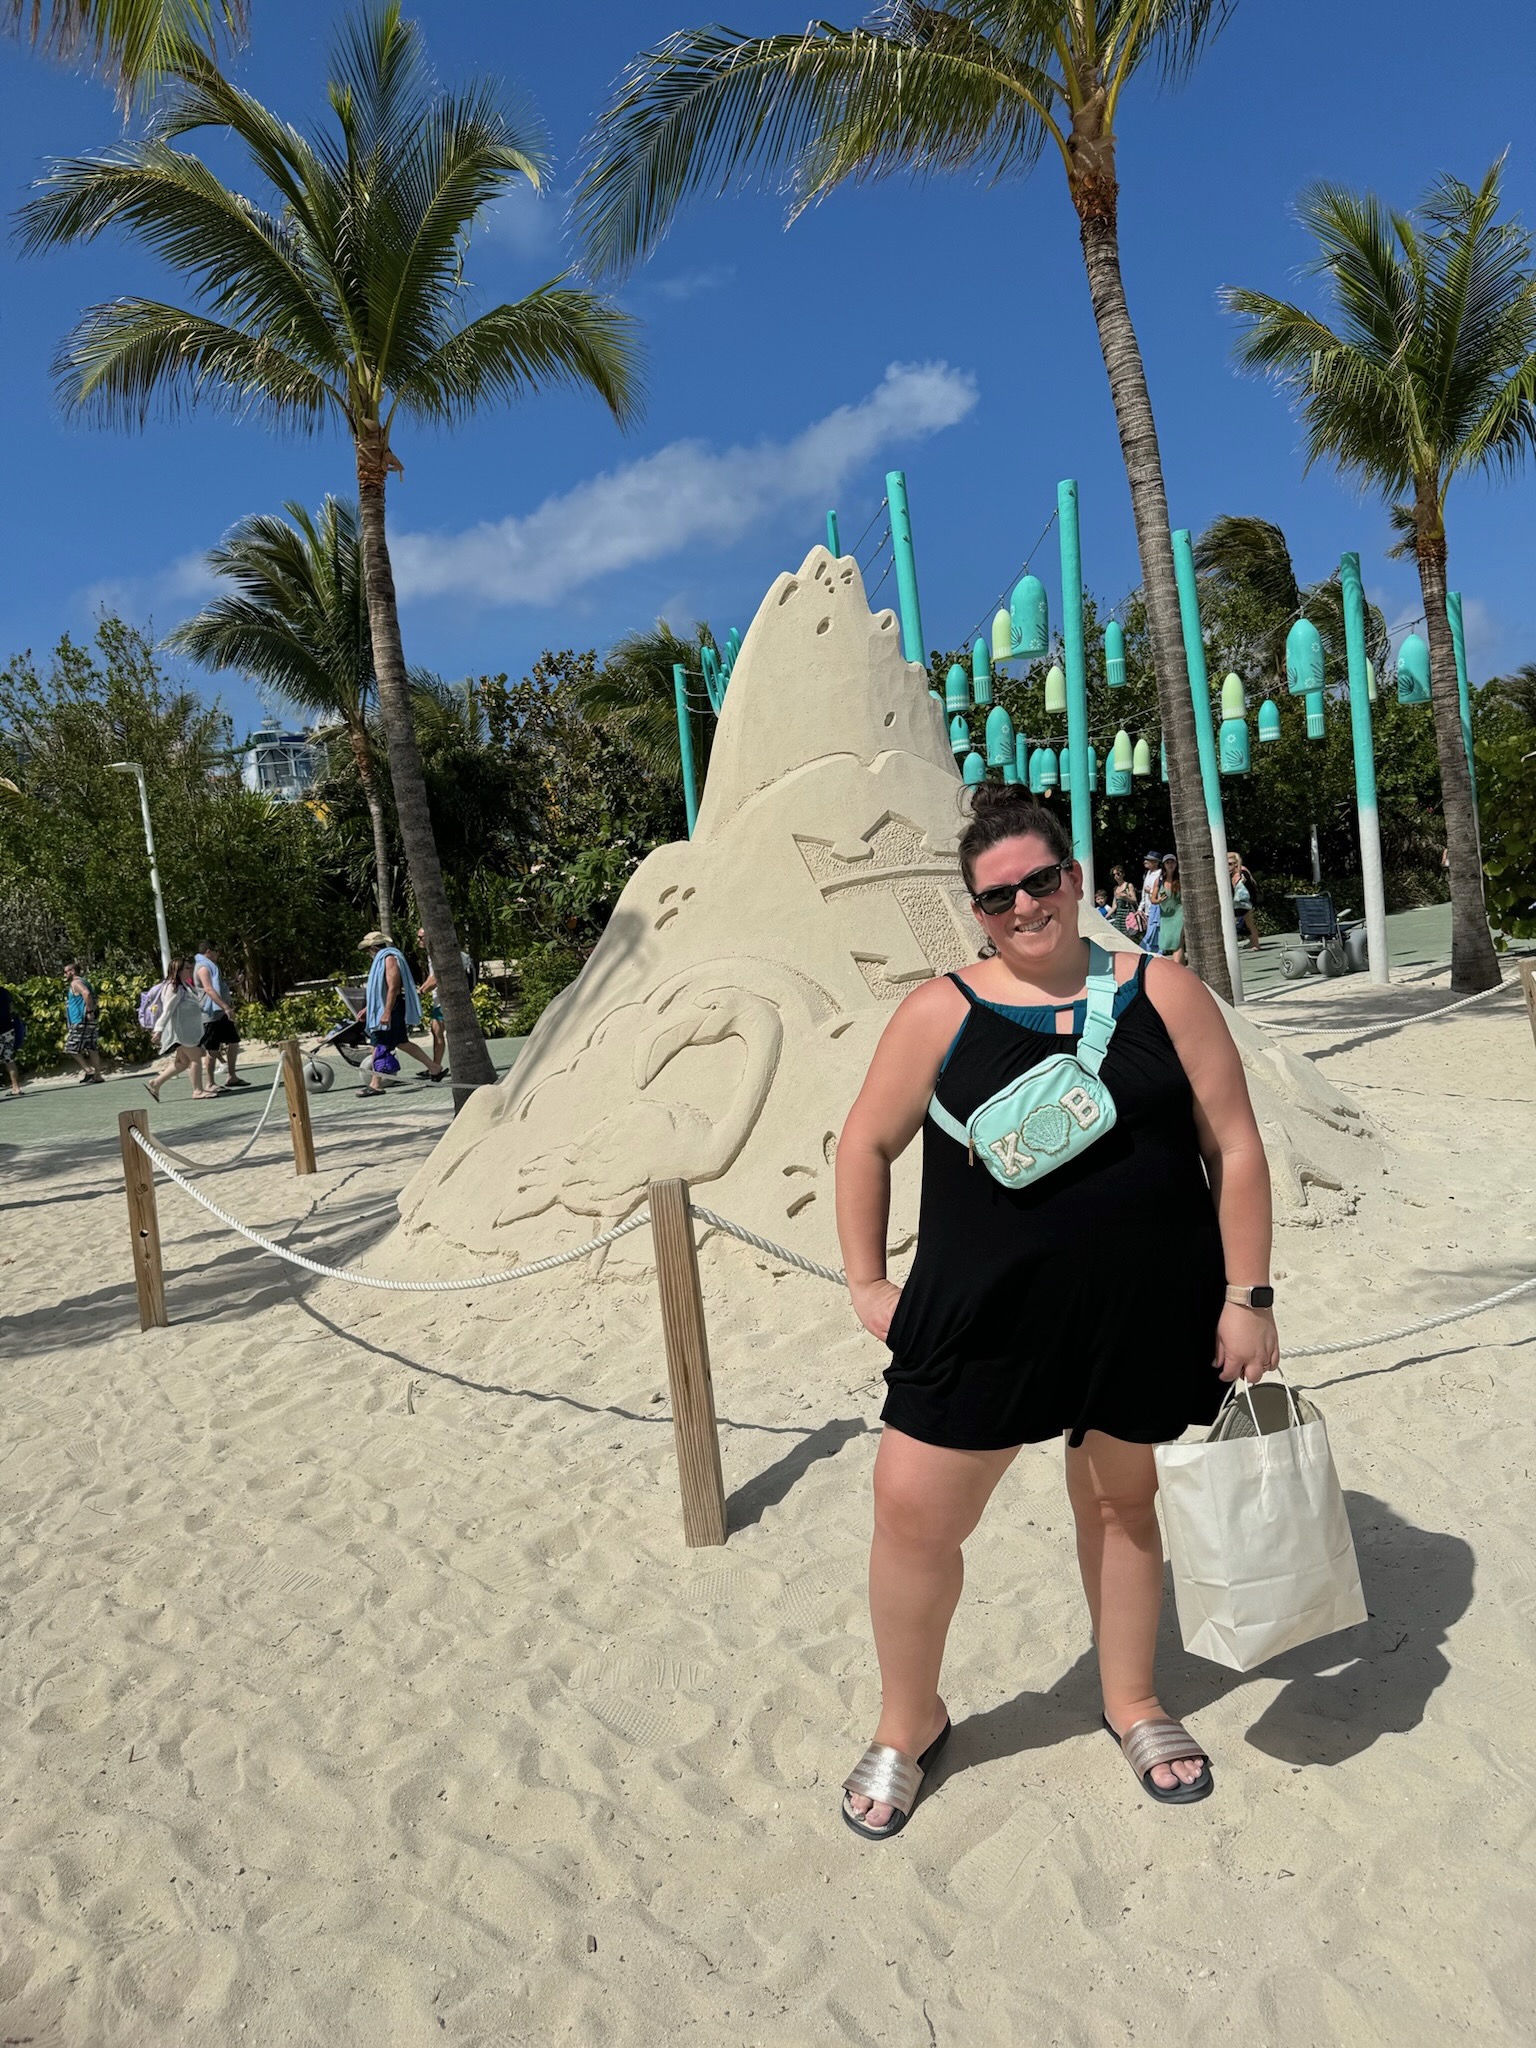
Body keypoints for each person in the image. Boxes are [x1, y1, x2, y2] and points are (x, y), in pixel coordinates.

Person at [834, 786, 1277, 1837]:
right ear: (976, 911)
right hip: (976, 1314)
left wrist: (1248, 1295)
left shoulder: (1167, 991)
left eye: (1041, 880)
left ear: (1075, 877)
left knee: (1122, 1504)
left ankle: (1132, 1698)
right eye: (999, 896)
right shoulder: (936, 1010)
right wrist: (866, 1282)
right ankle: (910, 1719)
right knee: (911, 1507)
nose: (1025, 905)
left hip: (1143, 1308)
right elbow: (863, 1144)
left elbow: (1237, 1145)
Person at [355, 930, 442, 1096]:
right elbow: (381, 990)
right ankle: (434, 1068)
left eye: (368, 949)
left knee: (378, 1042)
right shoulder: (383, 959)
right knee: (401, 1042)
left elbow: (393, 987)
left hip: (391, 1007)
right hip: (388, 1006)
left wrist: (386, 1012)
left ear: (373, 948)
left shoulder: (389, 959)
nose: (368, 953)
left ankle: (375, 1084)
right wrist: (368, 1008)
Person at [144, 959, 215, 1100]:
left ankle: (156, 1083)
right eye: (187, 968)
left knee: (182, 1062)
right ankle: (198, 1090)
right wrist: (158, 1029)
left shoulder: (184, 985)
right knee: (195, 1058)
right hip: (181, 1032)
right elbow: (168, 1010)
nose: (190, 970)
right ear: (179, 970)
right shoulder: (173, 987)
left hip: (187, 1031)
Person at [415, 926, 475, 1077]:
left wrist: (421, 991)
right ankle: (435, 1067)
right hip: (440, 1000)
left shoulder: (438, 954)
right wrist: (420, 989)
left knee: (439, 1031)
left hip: (446, 1000)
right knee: (437, 1032)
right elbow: (432, 977)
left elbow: (436, 979)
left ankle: (436, 1068)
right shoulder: (432, 954)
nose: (418, 940)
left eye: (421, 937)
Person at [194, 942, 248, 1090]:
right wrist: (226, 1007)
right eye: (217, 952)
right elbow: (209, 989)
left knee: (233, 1041)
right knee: (212, 1049)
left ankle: (232, 1076)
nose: (218, 955)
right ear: (209, 951)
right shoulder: (203, 967)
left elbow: (220, 985)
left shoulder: (212, 967)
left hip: (221, 1013)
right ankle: (210, 1083)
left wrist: (235, 982)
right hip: (211, 1014)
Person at [62, 963, 103, 1083]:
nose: (64, 975)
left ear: (73, 971)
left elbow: (86, 993)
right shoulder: (85, 981)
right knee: (92, 1047)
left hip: (81, 1020)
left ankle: (88, 1070)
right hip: (87, 1020)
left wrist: (89, 1011)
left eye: (66, 972)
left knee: (70, 1047)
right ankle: (98, 1075)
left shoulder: (76, 983)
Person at [1228, 851, 1260, 952]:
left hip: (1246, 902)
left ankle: (1256, 944)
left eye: (1230, 864)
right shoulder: (1228, 875)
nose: (1228, 866)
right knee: (1243, 923)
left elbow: (1251, 889)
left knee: (1248, 923)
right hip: (1236, 903)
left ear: (1236, 864)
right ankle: (1253, 943)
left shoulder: (1242, 874)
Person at [1158, 854, 1187, 964]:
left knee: (1177, 942)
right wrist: (1159, 900)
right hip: (1166, 916)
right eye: (1167, 863)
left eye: (1172, 862)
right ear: (1164, 865)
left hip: (1179, 913)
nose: (1170, 865)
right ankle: (1182, 967)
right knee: (1171, 944)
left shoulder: (1180, 879)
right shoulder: (1160, 880)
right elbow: (1153, 899)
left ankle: (1177, 968)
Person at [1138, 851, 1164, 955]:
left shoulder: (1161, 874)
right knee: (1150, 933)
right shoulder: (1147, 874)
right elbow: (1144, 892)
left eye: (1148, 860)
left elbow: (1162, 892)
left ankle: (1158, 954)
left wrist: (1151, 891)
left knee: (1156, 933)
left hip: (1158, 909)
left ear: (1156, 862)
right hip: (1148, 910)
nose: (1145, 862)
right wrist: (1141, 908)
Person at [0, 982, 22, 1098]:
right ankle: (16, 1088)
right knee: (9, 1059)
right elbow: (12, 1009)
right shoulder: (4, 991)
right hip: (8, 1029)